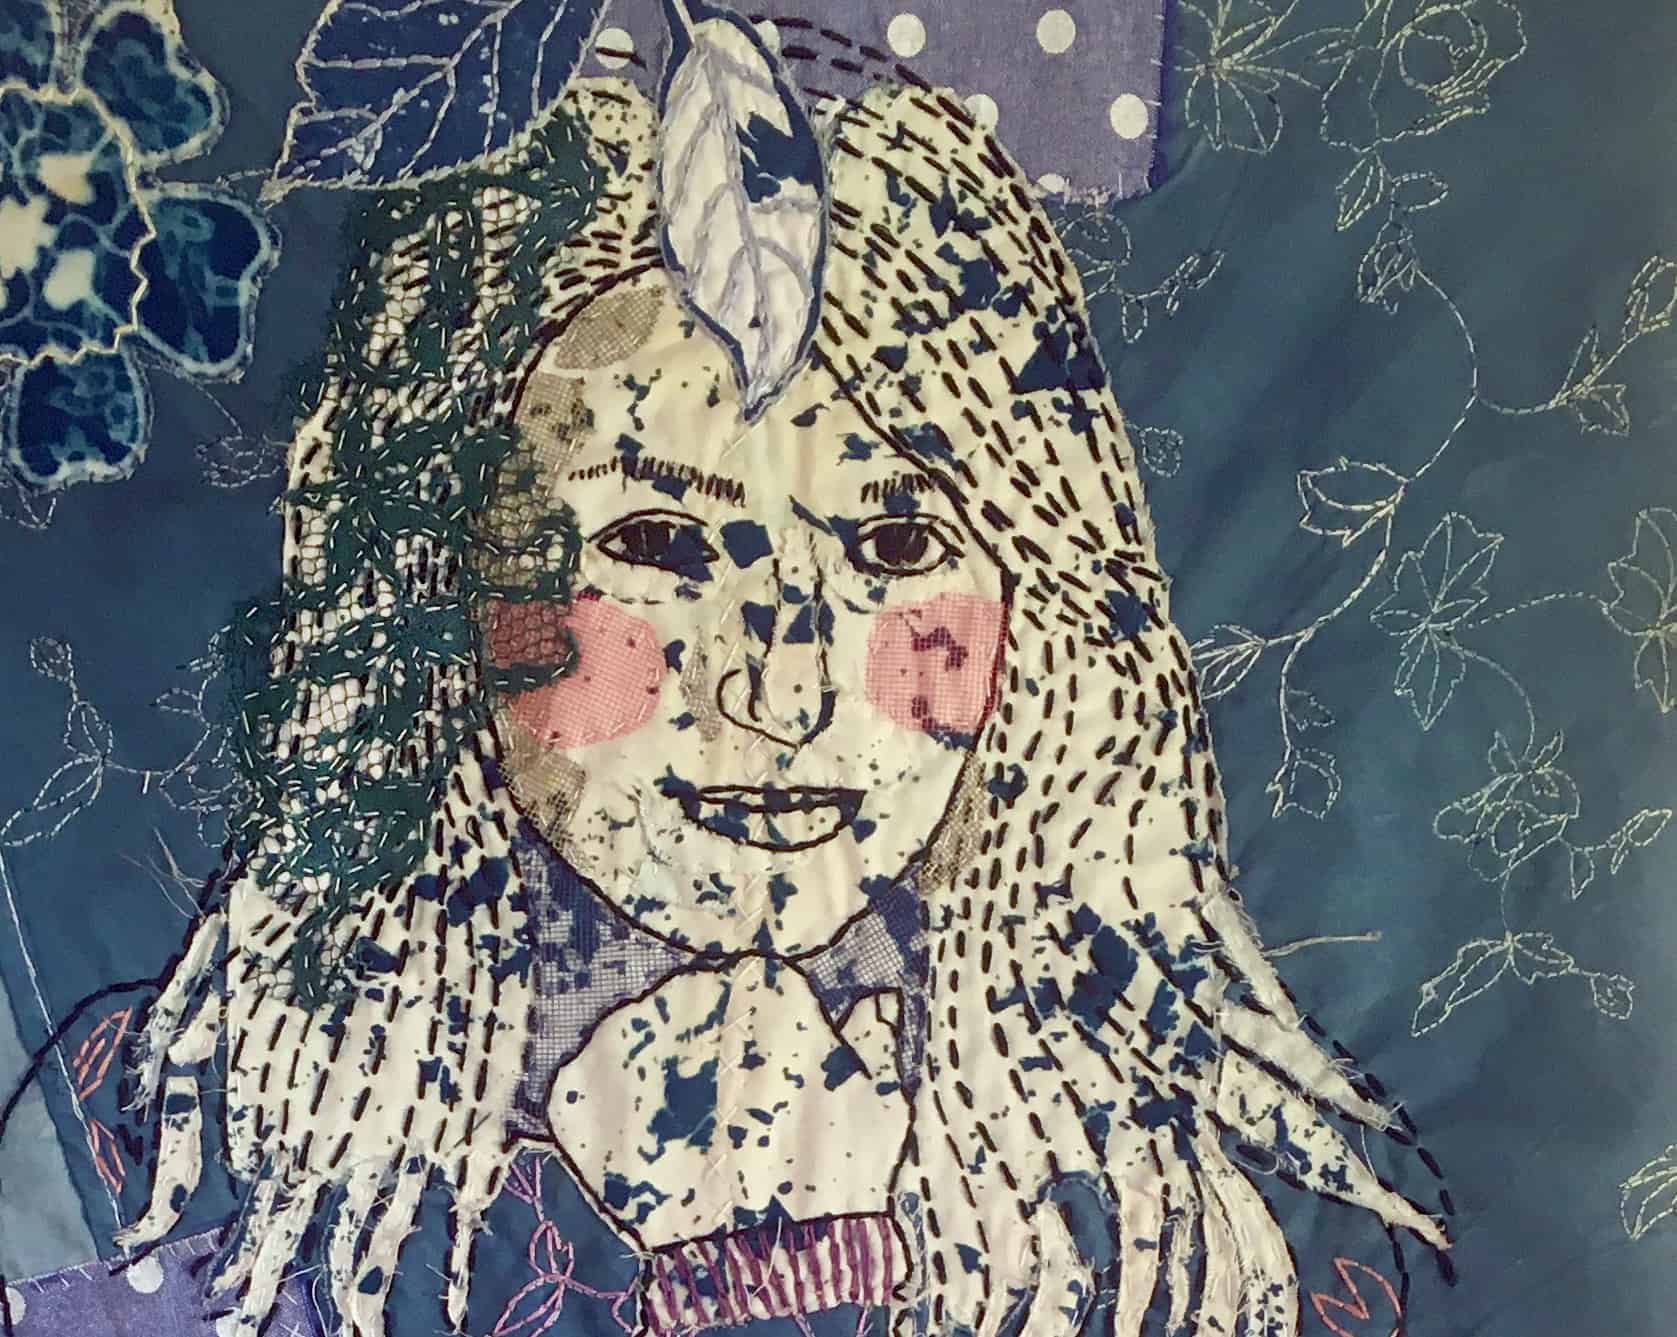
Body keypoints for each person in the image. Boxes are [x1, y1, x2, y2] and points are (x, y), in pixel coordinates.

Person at [120, 71, 1446, 1337]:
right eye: (653, 544)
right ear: (439, 588)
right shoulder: (215, 1122)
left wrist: (796, 1257)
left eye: (896, 547)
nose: (783, 690)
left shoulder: (1174, 1210)